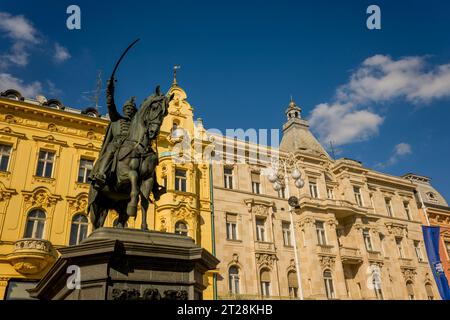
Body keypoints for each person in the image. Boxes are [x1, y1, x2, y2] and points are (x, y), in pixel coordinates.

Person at [90, 77, 137, 188]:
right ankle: (101, 174)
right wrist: (110, 91)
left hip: (131, 146)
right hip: (117, 143)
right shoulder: (117, 118)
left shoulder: (136, 125)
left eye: (131, 109)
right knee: (110, 151)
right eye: (127, 108)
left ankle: (154, 185)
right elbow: (111, 105)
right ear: (124, 109)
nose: (129, 110)